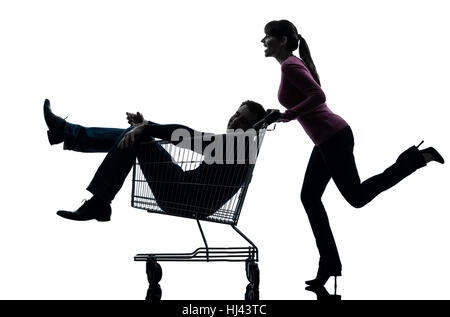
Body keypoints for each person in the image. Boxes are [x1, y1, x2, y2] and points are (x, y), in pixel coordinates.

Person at [261, 20, 445, 288]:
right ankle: (329, 266)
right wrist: (277, 115)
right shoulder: (289, 66)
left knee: (356, 197)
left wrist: (287, 115)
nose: (262, 42)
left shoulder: (290, 65)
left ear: (282, 41)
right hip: (326, 140)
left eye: (267, 37)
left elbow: (318, 96)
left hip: (334, 137)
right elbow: (307, 102)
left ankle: (418, 158)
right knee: (309, 197)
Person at [43, 99, 266, 221]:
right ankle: (65, 133)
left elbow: (186, 136)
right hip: (184, 190)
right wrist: (146, 125)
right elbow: (188, 136)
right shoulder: (241, 149)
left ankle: (66, 134)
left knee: (138, 136)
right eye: (236, 113)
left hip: (182, 195)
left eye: (243, 120)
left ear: (252, 130)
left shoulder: (238, 148)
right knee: (136, 135)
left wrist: (146, 127)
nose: (235, 120)